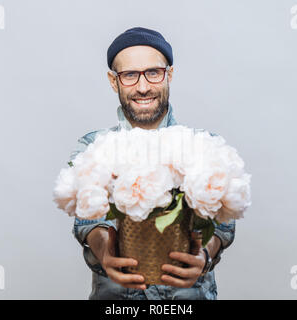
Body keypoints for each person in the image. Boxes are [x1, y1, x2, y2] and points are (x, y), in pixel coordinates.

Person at [68, 27, 235, 300]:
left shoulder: (205, 147)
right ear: (114, 81)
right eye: (130, 75)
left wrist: (205, 255)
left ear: (169, 74)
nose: (143, 87)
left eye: (153, 73)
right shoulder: (93, 147)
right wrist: (105, 251)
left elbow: (222, 226)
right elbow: (89, 221)